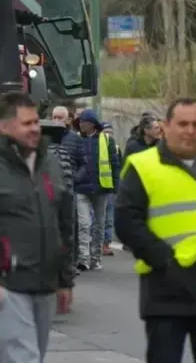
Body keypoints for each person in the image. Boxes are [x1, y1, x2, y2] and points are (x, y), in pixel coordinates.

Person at [115, 97, 196, 363]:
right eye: (182, 123)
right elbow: (127, 222)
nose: (189, 130)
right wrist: (165, 261)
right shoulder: (144, 166)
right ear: (166, 126)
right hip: (167, 290)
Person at [0, 92, 74, 362]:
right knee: (22, 357)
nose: (35, 128)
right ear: (4, 127)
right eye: (26, 123)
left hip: (45, 283)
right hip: (4, 284)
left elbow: (63, 223)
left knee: (28, 356)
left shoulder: (50, 163)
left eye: (36, 121)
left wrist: (64, 278)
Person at [73, 109, 120, 270]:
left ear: (92, 124)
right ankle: (83, 258)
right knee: (84, 224)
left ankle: (95, 258)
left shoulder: (107, 140)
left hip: (102, 188)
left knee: (99, 225)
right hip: (81, 188)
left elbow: (115, 165)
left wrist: (115, 187)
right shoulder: (76, 139)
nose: (80, 125)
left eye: (83, 122)